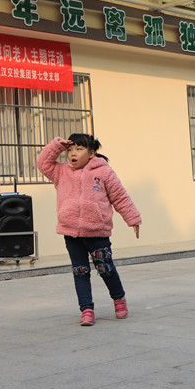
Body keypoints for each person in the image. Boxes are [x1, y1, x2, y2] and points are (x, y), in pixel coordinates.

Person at [36, 133, 141, 327]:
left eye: (79, 149)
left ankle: (119, 299)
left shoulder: (104, 172)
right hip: (71, 234)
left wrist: (132, 218)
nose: (73, 154)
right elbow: (43, 163)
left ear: (91, 153)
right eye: (70, 150)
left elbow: (120, 197)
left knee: (105, 269)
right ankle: (86, 309)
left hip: (97, 233)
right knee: (80, 272)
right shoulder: (61, 172)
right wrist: (57, 145)